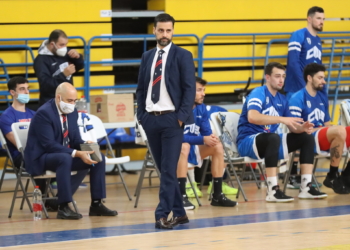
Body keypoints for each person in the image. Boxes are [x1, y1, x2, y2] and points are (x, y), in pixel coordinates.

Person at [136, 13, 196, 229]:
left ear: (173, 31)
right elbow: (141, 88)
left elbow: (190, 89)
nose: (164, 34)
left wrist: (180, 118)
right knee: (165, 170)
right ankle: (180, 213)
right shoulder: (147, 56)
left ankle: (161, 214)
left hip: (172, 120)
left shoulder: (183, 55)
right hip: (150, 120)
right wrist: (141, 116)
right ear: (154, 30)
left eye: (168, 30)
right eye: (161, 30)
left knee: (169, 169)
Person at [24, 82, 117, 219]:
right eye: (69, 101)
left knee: (98, 157)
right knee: (65, 158)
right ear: (58, 98)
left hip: (62, 155)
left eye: (75, 101)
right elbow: (49, 145)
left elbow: (74, 139)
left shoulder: (72, 112)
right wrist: (77, 153)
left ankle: (96, 204)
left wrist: (85, 145)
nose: (72, 104)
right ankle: (63, 206)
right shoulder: (44, 114)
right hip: (41, 157)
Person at [237, 62, 327, 202]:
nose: (281, 80)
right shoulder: (258, 92)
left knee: (306, 138)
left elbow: (292, 126)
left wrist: (301, 128)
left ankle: (306, 187)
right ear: (268, 77)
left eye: (283, 76)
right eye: (277, 76)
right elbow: (252, 117)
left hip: (270, 142)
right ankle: (273, 190)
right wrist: (282, 119)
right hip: (248, 141)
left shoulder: (282, 99)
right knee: (273, 137)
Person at [288, 63, 350, 194]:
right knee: (339, 130)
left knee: (343, 130)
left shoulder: (322, 96)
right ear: (310, 78)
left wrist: (333, 128)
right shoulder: (297, 98)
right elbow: (293, 128)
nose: (324, 81)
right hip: (307, 138)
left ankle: (346, 177)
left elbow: (326, 124)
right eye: (320, 78)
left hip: (323, 135)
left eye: (324, 78)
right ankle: (332, 175)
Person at [177, 76, 237, 210]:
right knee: (184, 146)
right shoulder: (176, 108)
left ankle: (217, 194)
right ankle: (180, 197)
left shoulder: (201, 108)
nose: (203, 94)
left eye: (204, 90)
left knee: (217, 146)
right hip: (172, 151)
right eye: (199, 90)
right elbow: (175, 137)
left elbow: (206, 133)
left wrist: (211, 138)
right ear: (188, 90)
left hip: (192, 147)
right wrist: (202, 139)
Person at [284, 6, 325, 188]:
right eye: (318, 18)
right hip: (297, 90)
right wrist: (304, 88)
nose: (321, 22)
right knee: (296, 129)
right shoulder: (298, 35)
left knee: (309, 129)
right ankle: (291, 174)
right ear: (309, 18)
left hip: (310, 89)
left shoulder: (318, 40)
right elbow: (292, 63)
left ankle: (303, 176)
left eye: (323, 19)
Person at [34, 29, 84, 106]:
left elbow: (79, 66)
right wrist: (63, 75)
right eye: (61, 45)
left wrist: (78, 57)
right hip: (50, 103)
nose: (64, 48)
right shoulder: (41, 60)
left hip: (67, 100)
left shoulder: (65, 52)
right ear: (52, 44)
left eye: (66, 44)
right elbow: (45, 85)